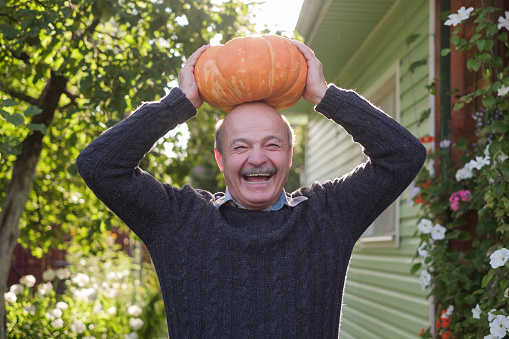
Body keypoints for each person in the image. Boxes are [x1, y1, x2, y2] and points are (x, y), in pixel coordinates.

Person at [77, 40, 426, 338]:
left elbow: (403, 155)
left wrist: (325, 96)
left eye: (272, 145)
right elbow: (99, 165)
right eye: (240, 147)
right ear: (220, 158)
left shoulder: (327, 216)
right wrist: (177, 104)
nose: (257, 158)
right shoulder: (178, 219)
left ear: (290, 155)